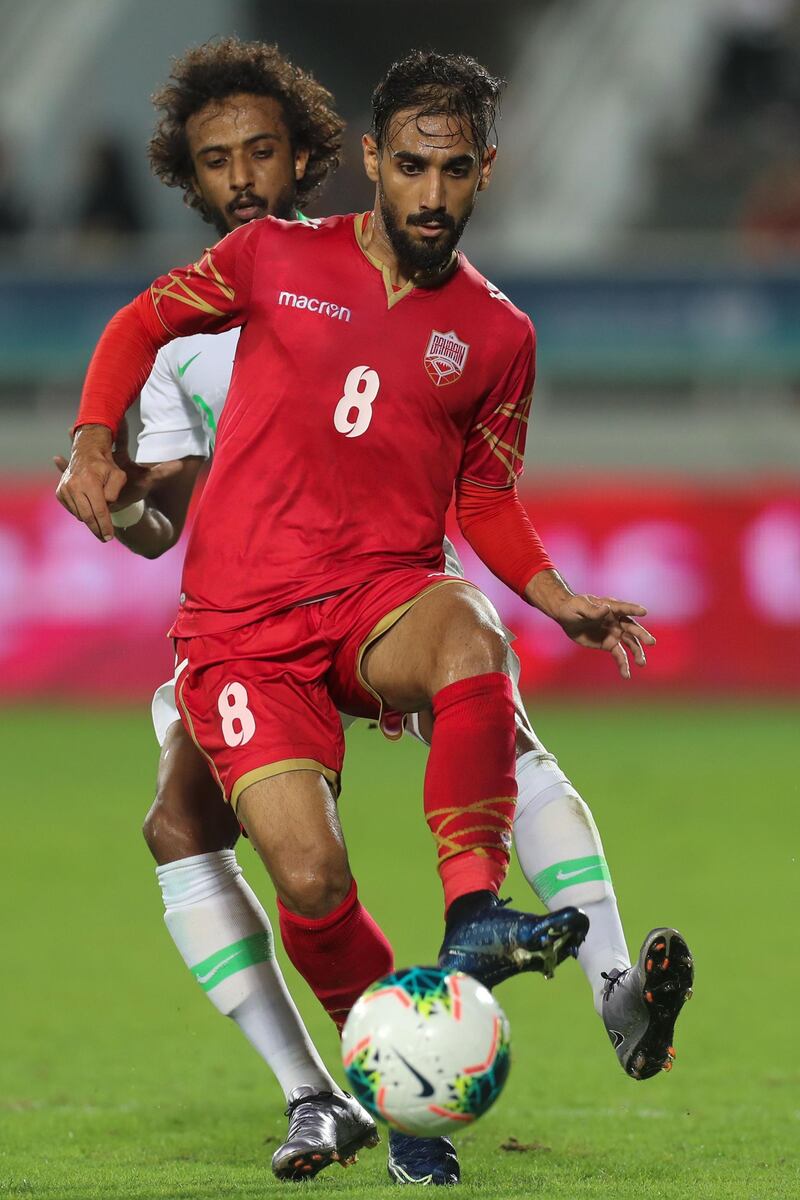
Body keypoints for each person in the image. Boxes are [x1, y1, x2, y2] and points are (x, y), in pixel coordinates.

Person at [57, 47, 693, 1187]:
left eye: (454, 172)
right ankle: (383, 1089)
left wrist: (555, 600)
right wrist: (97, 448)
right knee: (297, 873)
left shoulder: (497, 337)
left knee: (475, 643)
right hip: (243, 625)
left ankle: (481, 923)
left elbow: (487, 495)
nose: (432, 195)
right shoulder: (266, 263)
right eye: (411, 168)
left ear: (485, 171)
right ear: (371, 162)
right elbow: (136, 327)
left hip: (381, 591)